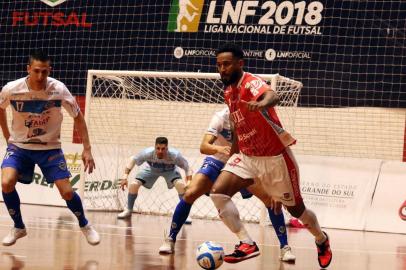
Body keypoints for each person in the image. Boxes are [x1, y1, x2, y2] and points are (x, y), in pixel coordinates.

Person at [210, 43, 332, 268]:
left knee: (297, 211)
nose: (222, 69)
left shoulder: (250, 82)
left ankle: (321, 239)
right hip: (246, 156)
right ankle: (247, 243)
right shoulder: (228, 91)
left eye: (226, 64)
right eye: (219, 65)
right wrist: (233, 156)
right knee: (217, 193)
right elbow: (237, 126)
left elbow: (271, 95)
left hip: (275, 159)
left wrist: (261, 104)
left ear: (240, 64)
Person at [159, 107, 296, 262]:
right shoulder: (221, 117)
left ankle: (285, 248)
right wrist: (219, 148)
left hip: (244, 163)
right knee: (190, 193)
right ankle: (170, 239)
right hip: (217, 160)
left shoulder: (257, 116)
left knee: (270, 199)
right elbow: (204, 147)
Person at [0, 51, 100, 246]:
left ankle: (84, 224)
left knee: (67, 192)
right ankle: (19, 227)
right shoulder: (12, 89)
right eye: (36, 71)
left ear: (49, 71)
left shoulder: (59, 89)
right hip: (20, 147)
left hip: (50, 148)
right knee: (6, 182)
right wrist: (7, 136)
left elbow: (78, 117)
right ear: (28, 69)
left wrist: (87, 148)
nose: (40, 76)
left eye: (44, 72)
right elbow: (0, 108)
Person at [117, 137, 193, 221]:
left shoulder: (175, 155)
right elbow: (133, 159)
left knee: (180, 185)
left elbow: (187, 167)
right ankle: (128, 210)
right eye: (158, 148)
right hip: (151, 169)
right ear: (155, 147)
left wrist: (189, 182)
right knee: (133, 185)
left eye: (163, 149)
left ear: (167, 148)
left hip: (170, 170)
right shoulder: (147, 153)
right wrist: (125, 177)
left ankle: (185, 214)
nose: (160, 151)